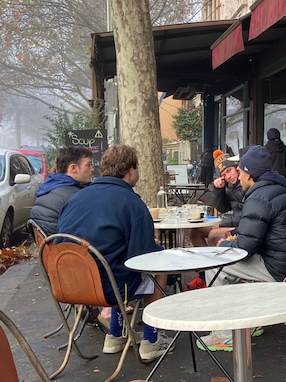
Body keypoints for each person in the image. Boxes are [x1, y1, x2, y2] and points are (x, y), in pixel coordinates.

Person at [57, 144, 171, 361]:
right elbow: (143, 257)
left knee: (111, 262)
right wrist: (156, 246)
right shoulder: (132, 203)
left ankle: (116, 335)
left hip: (71, 284)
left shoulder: (75, 199)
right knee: (158, 265)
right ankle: (151, 340)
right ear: (131, 170)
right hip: (110, 287)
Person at [200, 145, 286, 351]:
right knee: (227, 261)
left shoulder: (258, 198)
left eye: (239, 171)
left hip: (278, 267)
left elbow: (246, 247)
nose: (238, 176)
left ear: (249, 174)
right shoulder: (279, 190)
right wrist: (237, 238)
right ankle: (244, 322)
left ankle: (225, 334)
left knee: (217, 266)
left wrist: (228, 243)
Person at [30, 146, 94, 236]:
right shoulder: (77, 196)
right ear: (73, 168)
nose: (92, 169)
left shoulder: (46, 188)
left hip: (48, 247)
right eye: (88, 165)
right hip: (69, 247)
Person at [190, 150, 243, 247]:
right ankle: (206, 260)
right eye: (223, 175)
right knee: (196, 231)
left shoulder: (245, 184)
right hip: (233, 222)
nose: (228, 176)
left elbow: (246, 216)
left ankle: (215, 260)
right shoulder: (231, 186)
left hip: (241, 225)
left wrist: (221, 223)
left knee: (213, 235)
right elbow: (222, 208)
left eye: (229, 171)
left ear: (237, 168)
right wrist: (219, 189)